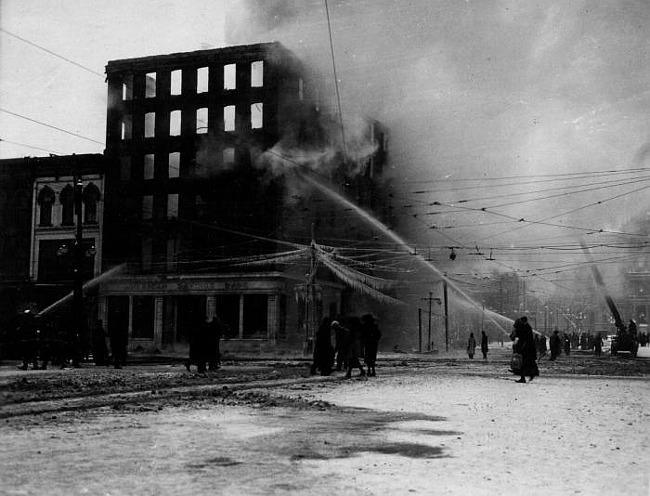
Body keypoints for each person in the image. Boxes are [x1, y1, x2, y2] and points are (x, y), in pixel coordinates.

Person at [511, 316, 539, 383]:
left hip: (527, 349)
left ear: (524, 321)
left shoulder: (526, 328)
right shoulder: (526, 327)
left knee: (525, 363)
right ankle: (529, 374)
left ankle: (531, 374)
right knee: (527, 362)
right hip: (527, 348)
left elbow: (524, 338)